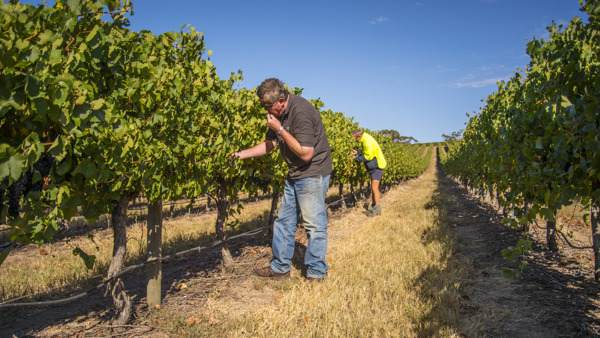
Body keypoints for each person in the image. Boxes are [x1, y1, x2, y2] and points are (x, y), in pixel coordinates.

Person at [229, 78, 332, 281]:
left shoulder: (300, 112)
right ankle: (280, 268)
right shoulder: (278, 114)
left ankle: (316, 272)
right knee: (283, 221)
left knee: (313, 224)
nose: (266, 110)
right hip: (294, 173)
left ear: (282, 101)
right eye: (263, 106)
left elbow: (305, 154)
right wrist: (241, 154)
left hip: (312, 171)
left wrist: (280, 129)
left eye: (268, 106)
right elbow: (270, 144)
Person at [351, 129, 386, 217]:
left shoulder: (367, 141)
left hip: (377, 166)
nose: (356, 140)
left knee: (375, 187)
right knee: (373, 187)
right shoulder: (365, 139)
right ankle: (373, 208)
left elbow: (368, 156)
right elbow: (368, 152)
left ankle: (377, 209)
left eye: (355, 138)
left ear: (359, 136)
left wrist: (356, 159)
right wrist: (358, 152)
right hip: (375, 165)